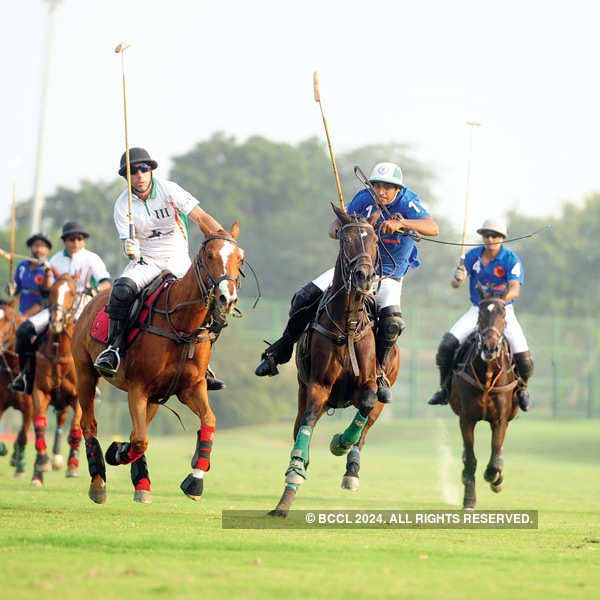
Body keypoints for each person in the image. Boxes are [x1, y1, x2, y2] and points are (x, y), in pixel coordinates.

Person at [254, 161, 440, 403]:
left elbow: (432, 227)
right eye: (378, 186)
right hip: (352, 271)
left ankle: (380, 372)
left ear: (397, 189)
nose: (382, 191)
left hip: (388, 275)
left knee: (392, 322)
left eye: (388, 187)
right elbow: (334, 228)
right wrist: (344, 227)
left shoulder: (407, 202)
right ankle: (282, 348)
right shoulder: (363, 199)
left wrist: (401, 223)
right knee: (303, 297)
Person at [93, 147, 227, 390]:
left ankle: (203, 363)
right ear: (127, 177)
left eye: (144, 169)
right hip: (146, 261)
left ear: (151, 170)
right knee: (120, 291)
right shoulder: (123, 204)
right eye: (133, 171)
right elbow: (127, 240)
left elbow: (200, 217)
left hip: (176, 259)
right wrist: (129, 247)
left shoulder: (169, 190)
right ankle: (114, 349)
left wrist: (222, 237)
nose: (140, 175)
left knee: (209, 297)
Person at [427, 218, 534, 411]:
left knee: (524, 357)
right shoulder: (473, 256)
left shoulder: (511, 260)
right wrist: (457, 278)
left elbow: (515, 288)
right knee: (446, 346)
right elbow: (455, 284)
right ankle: (444, 388)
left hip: (503, 311)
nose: (490, 238)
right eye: (486, 235)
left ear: (502, 238)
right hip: (477, 310)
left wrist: (499, 302)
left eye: (494, 235)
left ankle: (523, 390)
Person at [8, 222, 112, 394]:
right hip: (57, 308)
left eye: (80, 239)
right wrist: (47, 274)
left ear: (84, 241)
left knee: (101, 337)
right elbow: (46, 290)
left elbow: (106, 283)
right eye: (72, 239)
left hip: (84, 308)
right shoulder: (56, 259)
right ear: (65, 241)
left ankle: (95, 379)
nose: (76, 243)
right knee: (23, 331)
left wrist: (96, 289)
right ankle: (25, 375)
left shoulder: (92, 259)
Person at [7, 233, 52, 317]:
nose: (38, 249)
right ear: (30, 247)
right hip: (22, 311)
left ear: (48, 249)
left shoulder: (51, 267)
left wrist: (47, 272)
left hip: (41, 314)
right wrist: (11, 289)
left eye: (42, 246)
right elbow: (17, 288)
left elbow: (47, 296)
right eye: (36, 245)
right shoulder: (22, 266)